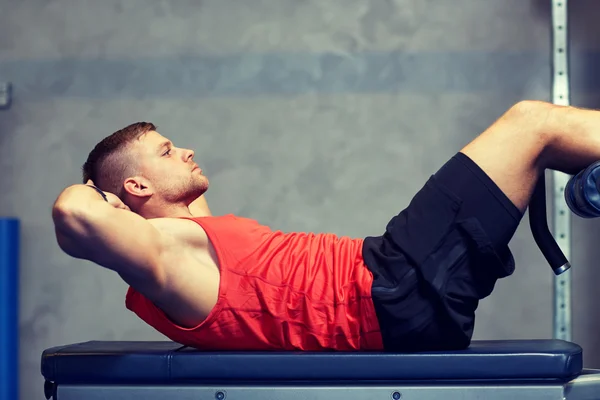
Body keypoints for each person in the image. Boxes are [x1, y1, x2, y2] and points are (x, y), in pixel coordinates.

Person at [51, 100, 599, 352]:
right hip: (392, 288)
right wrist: (102, 195)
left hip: (397, 294)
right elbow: (74, 213)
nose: (187, 150)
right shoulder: (165, 258)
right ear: (135, 190)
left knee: (540, 144)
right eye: (167, 151)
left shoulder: (193, 236)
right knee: (534, 125)